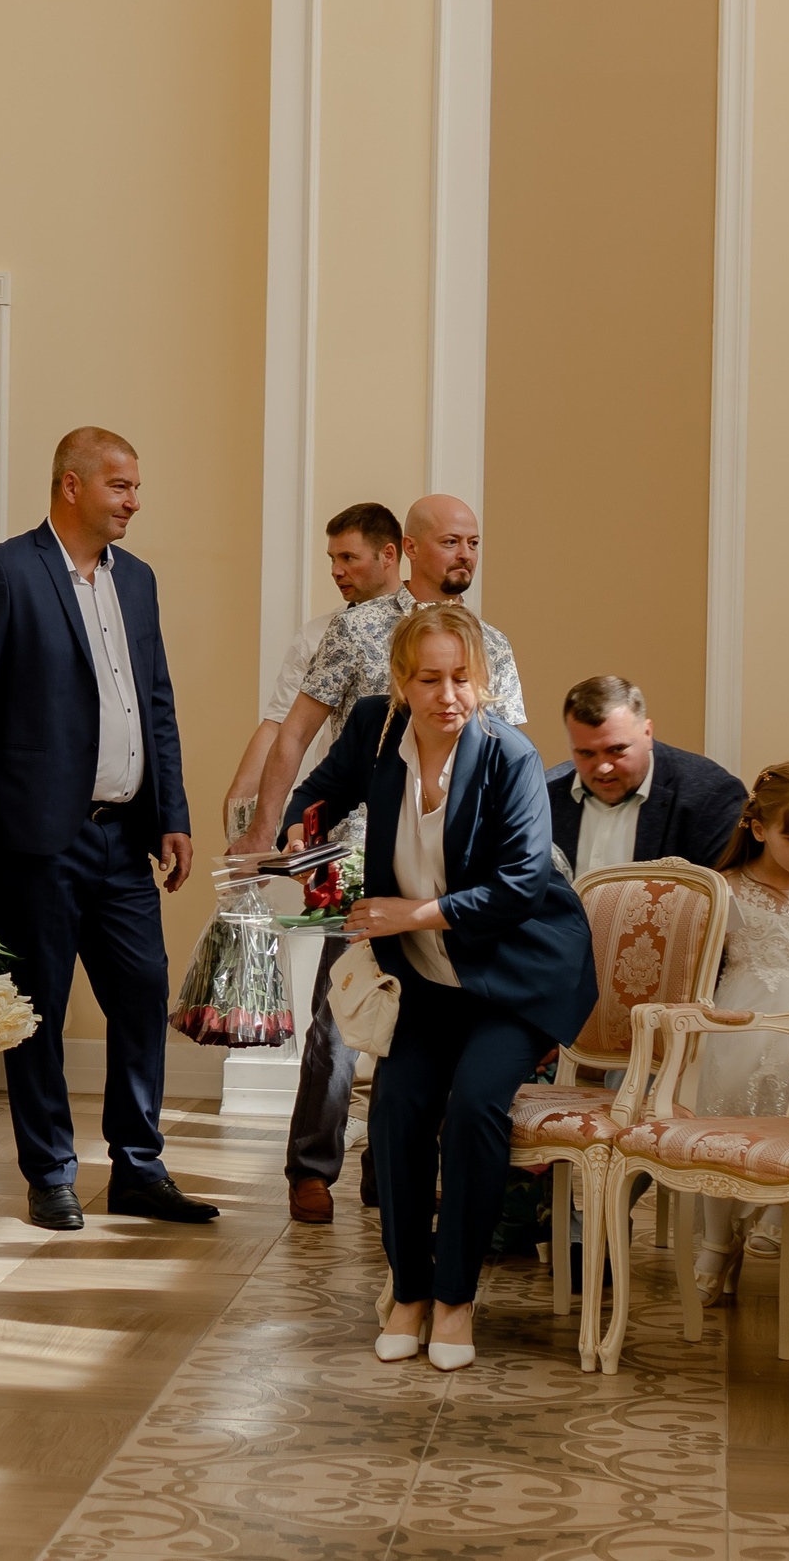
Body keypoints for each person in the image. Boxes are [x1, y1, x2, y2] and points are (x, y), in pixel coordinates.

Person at [284, 603, 597, 1369]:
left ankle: (456, 1301)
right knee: (395, 1109)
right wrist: (301, 835)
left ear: (481, 680)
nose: (447, 695)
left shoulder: (510, 757)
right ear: (401, 680)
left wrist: (412, 911)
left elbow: (522, 884)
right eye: (429, 679)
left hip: (511, 980)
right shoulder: (373, 730)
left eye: (462, 678)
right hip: (423, 977)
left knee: (473, 1109)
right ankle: (410, 1291)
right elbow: (317, 796)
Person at [0, 428, 212, 1231]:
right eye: (120, 485)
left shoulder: (140, 581)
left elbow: (156, 701)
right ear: (72, 485)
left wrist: (174, 816)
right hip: (33, 836)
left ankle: (138, 1165)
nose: (134, 500)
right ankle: (48, 1169)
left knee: (143, 991)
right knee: (38, 1007)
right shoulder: (6, 571)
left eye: (136, 485)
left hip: (126, 836)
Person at [226, 494, 527, 1226]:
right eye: (451, 540)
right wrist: (272, 826)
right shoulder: (356, 629)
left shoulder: (493, 643)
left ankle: (390, 1162)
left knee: (430, 1010)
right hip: (356, 851)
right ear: (412, 550)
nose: (465, 554)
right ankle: (312, 1166)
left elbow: (512, 753)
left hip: (449, 862)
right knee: (342, 1009)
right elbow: (297, 734)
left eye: (474, 542)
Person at [687, 762, 789, 1306]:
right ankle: (718, 1238)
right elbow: (703, 969)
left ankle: (775, 1209)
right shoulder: (725, 888)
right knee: (730, 1093)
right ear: (758, 829)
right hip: (740, 1009)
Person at [220, 502, 404, 842]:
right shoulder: (318, 633)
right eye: (332, 559)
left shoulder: (427, 629)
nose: (336, 570)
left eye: (348, 558)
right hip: (342, 823)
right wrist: (240, 814)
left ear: (388, 555)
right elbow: (279, 724)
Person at [548, 676, 749, 877]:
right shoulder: (543, 795)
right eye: (586, 753)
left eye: (617, 749)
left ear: (647, 733)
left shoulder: (711, 797)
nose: (603, 767)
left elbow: (723, 899)